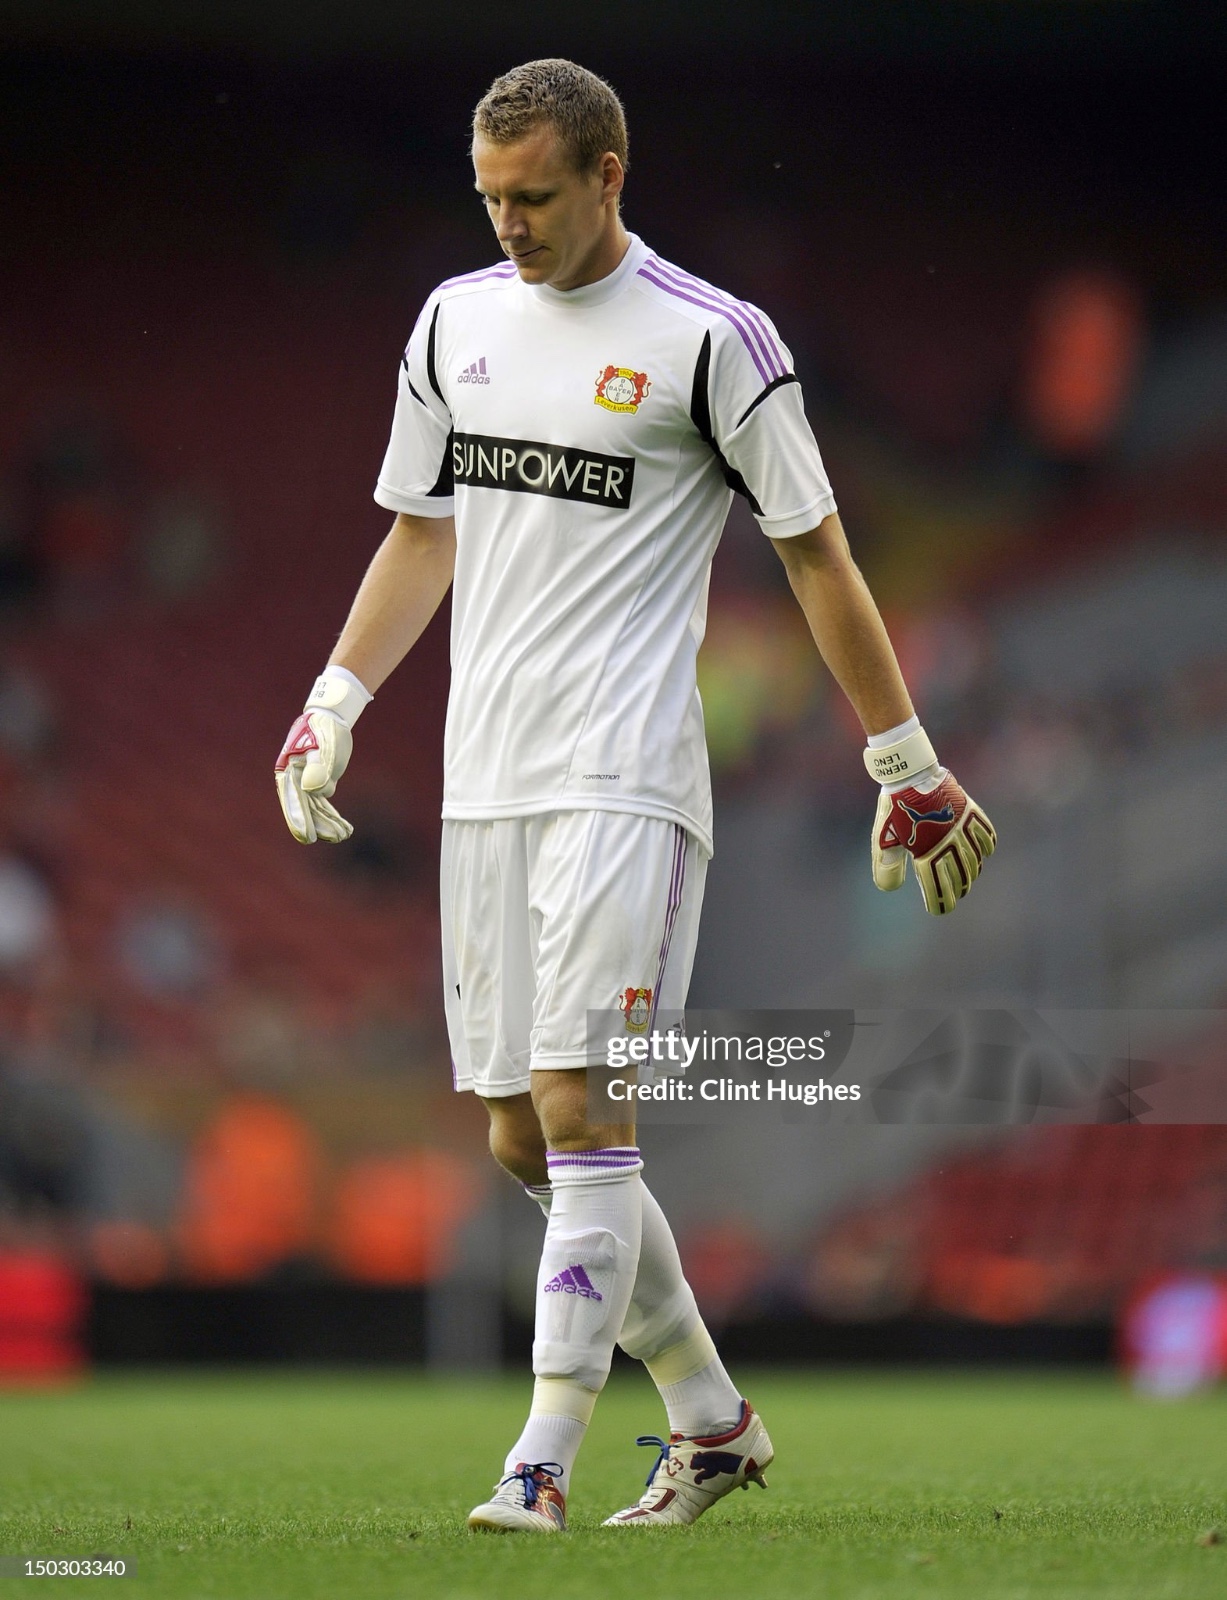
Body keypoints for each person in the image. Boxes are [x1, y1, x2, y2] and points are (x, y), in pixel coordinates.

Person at [275, 58, 996, 1533]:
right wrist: (332, 702)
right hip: (489, 780)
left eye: (533, 197)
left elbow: (817, 553)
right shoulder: (453, 322)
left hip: (626, 777)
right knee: (518, 1139)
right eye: (489, 199)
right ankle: (715, 1423)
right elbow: (422, 533)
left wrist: (903, 756)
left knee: (583, 1102)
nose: (510, 227)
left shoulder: (713, 340)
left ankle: (536, 1461)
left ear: (611, 174)